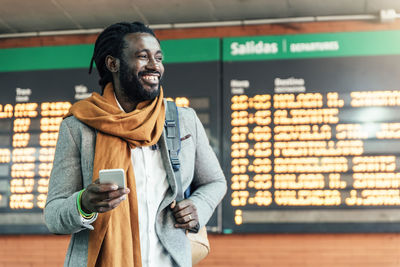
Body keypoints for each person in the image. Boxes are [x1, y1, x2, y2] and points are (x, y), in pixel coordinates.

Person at [44, 21, 227, 267]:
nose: (155, 66)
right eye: (143, 56)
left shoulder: (183, 120)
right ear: (113, 64)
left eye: (159, 58)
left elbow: (215, 181)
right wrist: (84, 203)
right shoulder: (79, 127)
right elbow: (54, 214)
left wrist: (198, 206)